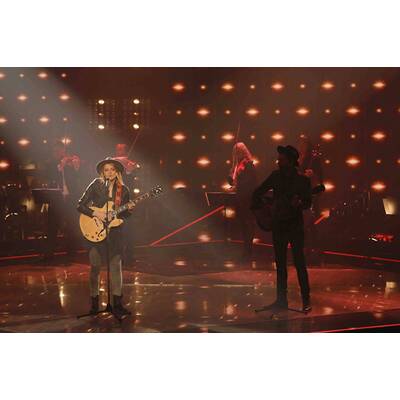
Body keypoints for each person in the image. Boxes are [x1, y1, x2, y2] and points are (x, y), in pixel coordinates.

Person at [252, 145, 312, 312]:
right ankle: (281, 300)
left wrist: (299, 203)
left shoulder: (302, 180)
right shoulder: (275, 176)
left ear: (290, 161)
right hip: (279, 224)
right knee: (280, 264)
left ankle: (306, 300)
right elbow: (258, 192)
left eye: (282, 159)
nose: (278, 161)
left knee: (299, 263)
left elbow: (307, 202)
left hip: (294, 226)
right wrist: (267, 208)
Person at [77, 157, 134, 316]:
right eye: (106, 170)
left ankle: (117, 304)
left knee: (116, 267)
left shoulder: (124, 190)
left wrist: (127, 212)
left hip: (114, 233)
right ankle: (94, 303)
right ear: (103, 172)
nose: (109, 172)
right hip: (95, 229)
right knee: (95, 266)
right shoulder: (96, 184)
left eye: (112, 169)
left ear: (117, 172)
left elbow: (125, 214)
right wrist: (97, 213)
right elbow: (80, 205)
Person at [43, 140, 81, 263]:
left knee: (72, 226)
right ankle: (49, 254)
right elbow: (49, 176)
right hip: (56, 199)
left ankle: (72, 252)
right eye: (55, 151)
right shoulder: (50, 163)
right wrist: (61, 166)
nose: (58, 153)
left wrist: (75, 166)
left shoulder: (71, 162)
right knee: (52, 226)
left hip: (70, 198)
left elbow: (78, 178)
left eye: (60, 150)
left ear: (64, 150)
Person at [228, 142, 258, 260]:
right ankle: (245, 250)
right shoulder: (237, 165)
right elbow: (234, 182)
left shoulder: (249, 164)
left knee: (248, 223)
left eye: (239, 151)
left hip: (247, 198)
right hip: (240, 198)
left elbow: (251, 182)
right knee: (243, 224)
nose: (237, 154)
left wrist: (238, 183)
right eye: (235, 152)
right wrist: (231, 177)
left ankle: (248, 250)